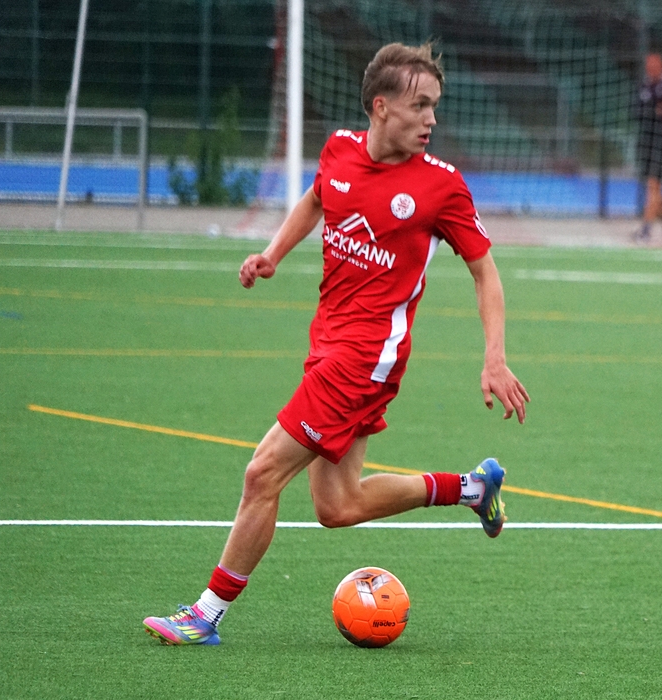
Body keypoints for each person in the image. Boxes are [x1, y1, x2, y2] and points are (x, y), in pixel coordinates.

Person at [142, 42, 530, 646]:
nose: (431, 119)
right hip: (326, 342)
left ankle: (205, 615)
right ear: (381, 106)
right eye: (419, 105)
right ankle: (473, 488)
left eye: (435, 106)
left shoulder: (441, 187)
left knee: (262, 473)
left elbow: (486, 272)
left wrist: (495, 358)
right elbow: (318, 199)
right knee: (338, 506)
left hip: (364, 359)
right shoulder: (340, 151)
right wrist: (273, 253)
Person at [635, 53, 662, 243]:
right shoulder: (644, 85)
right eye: (648, 65)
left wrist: (657, 111)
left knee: (653, 185)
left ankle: (645, 230)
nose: (650, 69)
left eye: (653, 65)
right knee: (655, 186)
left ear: (661, 66)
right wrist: (653, 110)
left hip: (661, 141)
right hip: (646, 139)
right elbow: (636, 110)